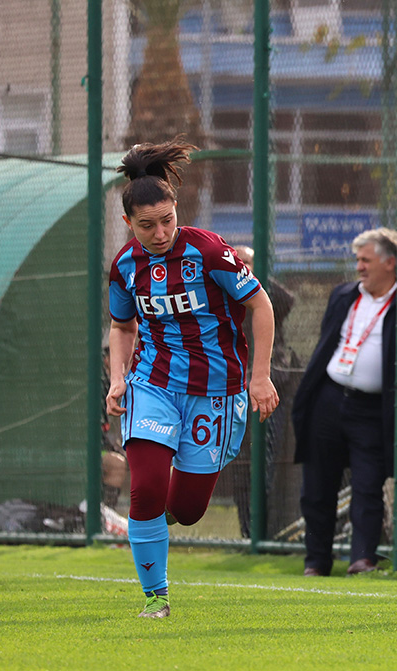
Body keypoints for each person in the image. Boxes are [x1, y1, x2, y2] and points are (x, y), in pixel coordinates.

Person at [105, 137, 279, 618]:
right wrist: (118, 378)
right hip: (152, 384)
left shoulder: (209, 251)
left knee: (186, 509)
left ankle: (150, 524)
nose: (160, 232)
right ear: (128, 222)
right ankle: (156, 597)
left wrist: (260, 377)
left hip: (215, 392)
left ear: (176, 210)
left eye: (167, 220)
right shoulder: (124, 266)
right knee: (145, 487)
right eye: (147, 225)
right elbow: (122, 326)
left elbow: (261, 305)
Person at [291, 228, 397, 577]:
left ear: (390, 263)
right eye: (358, 260)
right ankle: (316, 561)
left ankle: (363, 558)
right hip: (329, 398)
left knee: (367, 485)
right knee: (317, 486)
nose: (359, 267)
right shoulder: (343, 295)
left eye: (366, 260)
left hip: (372, 409)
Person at [230, 245, 296, 539]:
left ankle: (269, 532)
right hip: (233, 388)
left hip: (268, 388)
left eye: (247, 262)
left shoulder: (265, 294)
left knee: (267, 461)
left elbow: (285, 302)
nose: (241, 266)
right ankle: (248, 532)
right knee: (240, 465)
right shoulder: (222, 293)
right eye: (237, 262)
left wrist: (251, 278)